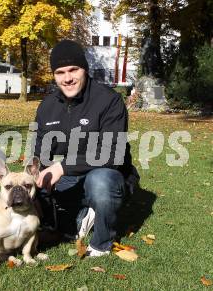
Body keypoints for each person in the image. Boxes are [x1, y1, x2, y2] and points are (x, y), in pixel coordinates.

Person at [33, 40, 139, 257]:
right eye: (60, 72)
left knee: (100, 181)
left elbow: (112, 154)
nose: (67, 78)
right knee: (37, 186)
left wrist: (61, 167)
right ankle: (77, 217)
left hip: (108, 175)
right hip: (72, 177)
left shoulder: (109, 101)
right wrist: (37, 176)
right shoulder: (47, 107)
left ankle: (101, 243)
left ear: (85, 69)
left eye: (74, 70)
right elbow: (40, 153)